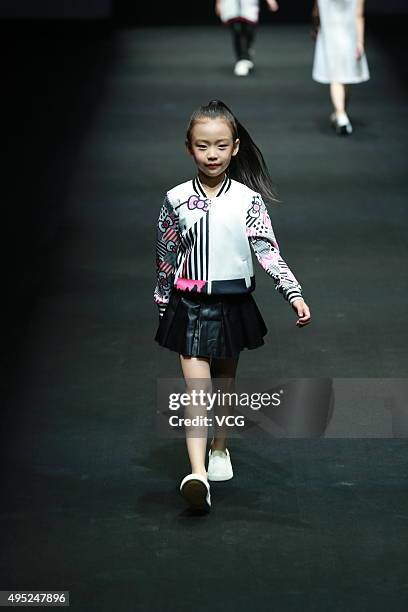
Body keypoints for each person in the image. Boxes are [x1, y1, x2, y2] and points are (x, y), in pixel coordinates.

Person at [153, 100, 311, 512]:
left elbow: (267, 250)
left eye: (221, 146)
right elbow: (165, 258)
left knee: (223, 386)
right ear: (188, 147)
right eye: (203, 146)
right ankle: (197, 475)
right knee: (197, 392)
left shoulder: (247, 200)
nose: (212, 154)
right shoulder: (175, 199)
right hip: (188, 302)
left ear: (235, 147)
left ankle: (219, 449)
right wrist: (162, 307)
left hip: (233, 302)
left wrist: (292, 292)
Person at [312, 0, 370, 135]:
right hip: (349, 36)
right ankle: (340, 113)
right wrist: (360, 41)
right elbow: (359, 15)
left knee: (335, 77)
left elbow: (316, 12)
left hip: (329, 34)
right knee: (346, 76)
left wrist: (315, 28)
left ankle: (340, 113)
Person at [215, 0, 279, 76]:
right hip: (231, 4)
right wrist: (218, 4)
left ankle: (247, 48)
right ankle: (242, 60)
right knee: (237, 30)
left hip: (248, 4)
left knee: (249, 30)